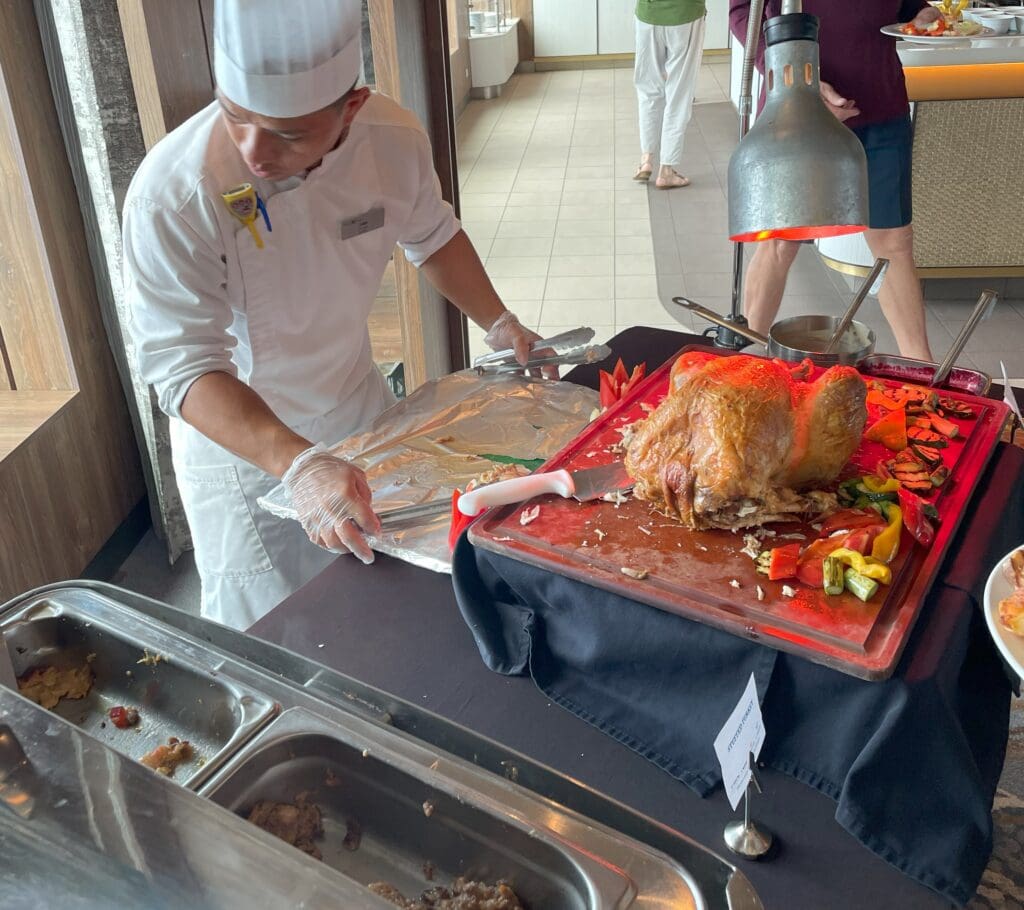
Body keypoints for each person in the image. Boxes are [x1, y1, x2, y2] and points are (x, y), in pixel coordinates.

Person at [122, 0, 543, 630]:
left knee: (382, 609)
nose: (254, 152)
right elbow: (183, 370)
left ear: (352, 107)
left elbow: (432, 236)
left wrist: (499, 321)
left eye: (289, 134)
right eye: (236, 117)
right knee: (273, 633)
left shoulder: (392, 140)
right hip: (243, 455)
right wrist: (298, 463)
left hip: (357, 410)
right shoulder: (174, 192)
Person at [729, 1, 937, 361]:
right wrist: (794, 79)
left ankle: (923, 372)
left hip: (881, 108)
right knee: (779, 241)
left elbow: (905, 6)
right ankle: (746, 358)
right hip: (793, 109)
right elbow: (743, 12)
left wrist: (920, 15)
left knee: (894, 243)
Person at [633, 0, 708, 189]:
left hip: (648, 14)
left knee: (648, 90)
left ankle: (646, 159)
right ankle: (666, 170)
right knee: (679, 95)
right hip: (686, 12)